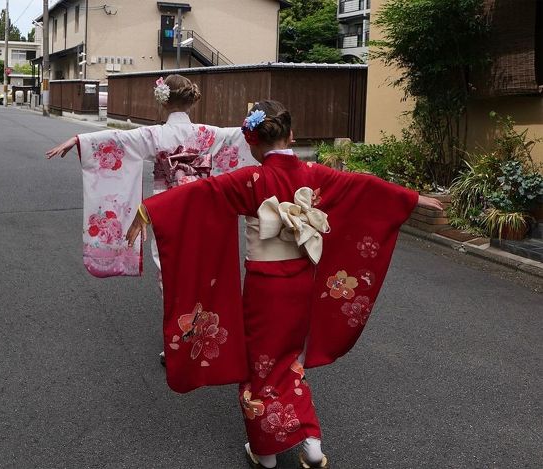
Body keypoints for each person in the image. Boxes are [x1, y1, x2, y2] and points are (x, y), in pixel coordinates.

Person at [126, 100, 443, 468]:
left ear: (252, 143)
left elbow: (200, 195)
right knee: (289, 360)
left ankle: (266, 453)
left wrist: (150, 210)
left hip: (265, 287)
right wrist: (410, 198)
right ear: (291, 135)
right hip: (301, 284)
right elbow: (363, 188)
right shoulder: (313, 173)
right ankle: (310, 442)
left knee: (260, 365)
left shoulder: (252, 179)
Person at [45, 74, 254, 278]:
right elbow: (237, 136)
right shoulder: (208, 133)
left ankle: (172, 304)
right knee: (199, 258)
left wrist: (79, 140)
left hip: (165, 204)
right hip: (200, 203)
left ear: (163, 102)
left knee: (168, 257)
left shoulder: (155, 134)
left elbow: (118, 139)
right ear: (191, 102)